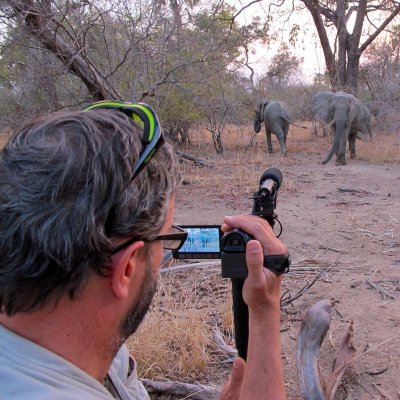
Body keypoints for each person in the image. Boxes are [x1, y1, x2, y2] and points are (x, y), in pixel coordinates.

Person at [0, 101, 287, 399]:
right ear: (125, 269)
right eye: (166, 239)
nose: (163, 256)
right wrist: (266, 311)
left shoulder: (92, 357)